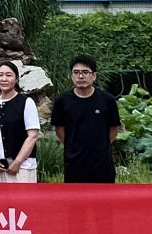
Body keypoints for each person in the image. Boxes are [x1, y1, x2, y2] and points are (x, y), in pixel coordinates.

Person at [51, 54, 122, 183]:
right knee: (74, 195)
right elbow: (59, 130)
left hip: (102, 164)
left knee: (104, 195)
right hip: (74, 163)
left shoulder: (107, 100)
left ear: (94, 76)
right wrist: (73, 146)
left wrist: (101, 146)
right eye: (76, 72)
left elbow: (113, 129)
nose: (80, 76)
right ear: (71, 76)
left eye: (85, 72)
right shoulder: (62, 101)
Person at [0, 60, 41, 183]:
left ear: (16, 79)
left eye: (9, 75)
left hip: (22, 167)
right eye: (0, 75)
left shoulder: (26, 102)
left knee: (22, 196)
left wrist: (17, 162)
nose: (4, 79)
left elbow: (32, 136)